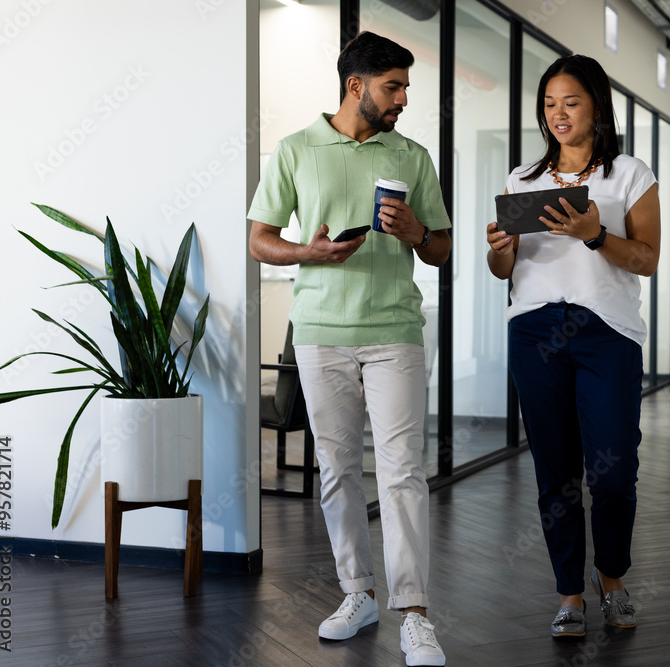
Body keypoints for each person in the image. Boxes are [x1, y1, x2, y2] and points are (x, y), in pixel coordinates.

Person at [247, 31, 451, 667]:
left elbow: (442, 249)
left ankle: (414, 613)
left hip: (394, 331)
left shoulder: (413, 155)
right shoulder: (296, 149)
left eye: (406, 88)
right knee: (335, 471)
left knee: (401, 471)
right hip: (320, 332)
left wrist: (417, 232)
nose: (403, 99)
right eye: (394, 87)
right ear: (355, 86)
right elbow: (259, 239)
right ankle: (356, 593)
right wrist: (311, 251)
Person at [486, 54, 660, 639]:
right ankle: (569, 595)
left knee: (613, 471)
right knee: (555, 471)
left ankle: (611, 578)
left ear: (596, 107)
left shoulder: (630, 174)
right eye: (549, 104)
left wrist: (596, 236)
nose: (558, 115)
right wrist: (501, 247)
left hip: (606, 332)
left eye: (571, 102)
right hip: (534, 330)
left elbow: (647, 259)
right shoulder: (522, 179)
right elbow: (502, 268)